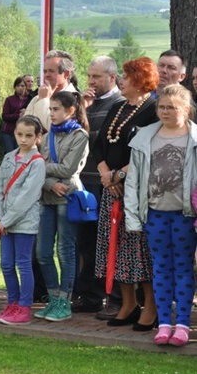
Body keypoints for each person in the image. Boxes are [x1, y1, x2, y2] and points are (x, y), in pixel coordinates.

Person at [125, 84, 197, 347]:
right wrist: (132, 217)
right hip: (154, 214)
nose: (165, 111)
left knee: (184, 269)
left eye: (172, 107)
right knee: (161, 269)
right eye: (162, 107)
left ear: (186, 109)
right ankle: (164, 323)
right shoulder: (145, 138)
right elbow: (132, 181)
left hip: (186, 216)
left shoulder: (194, 138)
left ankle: (182, 325)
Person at [93, 57, 159, 331]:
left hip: (137, 191)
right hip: (111, 190)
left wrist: (120, 175)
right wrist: (107, 175)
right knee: (115, 248)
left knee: (139, 250)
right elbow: (98, 146)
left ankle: (151, 307)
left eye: (126, 76)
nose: (121, 79)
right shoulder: (118, 106)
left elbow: (151, 151)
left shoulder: (153, 109)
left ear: (140, 80)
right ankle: (128, 304)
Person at [76, 56, 125, 317]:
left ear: (112, 77)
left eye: (96, 76)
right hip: (84, 182)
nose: (91, 81)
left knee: (109, 243)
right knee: (86, 243)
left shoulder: (119, 104)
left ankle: (115, 299)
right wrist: (82, 108)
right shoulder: (86, 104)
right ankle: (90, 295)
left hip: (108, 183)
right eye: (89, 76)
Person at [35, 92, 90, 322]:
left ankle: (65, 301)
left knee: (65, 251)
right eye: (50, 109)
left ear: (69, 111)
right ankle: (53, 297)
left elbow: (68, 170)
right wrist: (49, 181)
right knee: (43, 252)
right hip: (48, 195)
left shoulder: (80, 136)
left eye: (56, 109)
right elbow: (37, 165)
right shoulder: (47, 137)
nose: (52, 114)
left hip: (67, 197)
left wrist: (43, 167)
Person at [0, 115, 46, 325]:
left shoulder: (37, 162)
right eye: (19, 134)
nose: (23, 139)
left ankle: (24, 307)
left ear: (37, 137)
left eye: (28, 135)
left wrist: (7, 220)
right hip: (4, 221)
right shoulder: (9, 157)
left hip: (23, 222)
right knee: (6, 264)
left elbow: (27, 196)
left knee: (23, 264)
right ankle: (12, 303)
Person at [24, 50, 77, 131]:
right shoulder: (37, 98)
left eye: (51, 71)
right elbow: (24, 127)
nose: (47, 75)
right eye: (45, 71)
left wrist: (44, 101)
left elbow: (54, 127)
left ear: (66, 74)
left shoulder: (75, 99)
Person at [0, 76, 29, 153]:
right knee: (10, 153)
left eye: (22, 86)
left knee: (20, 153)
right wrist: (18, 116)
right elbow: (4, 116)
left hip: (23, 132)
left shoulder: (29, 100)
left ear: (26, 87)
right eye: (18, 86)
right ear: (15, 87)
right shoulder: (9, 99)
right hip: (8, 131)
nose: (20, 88)